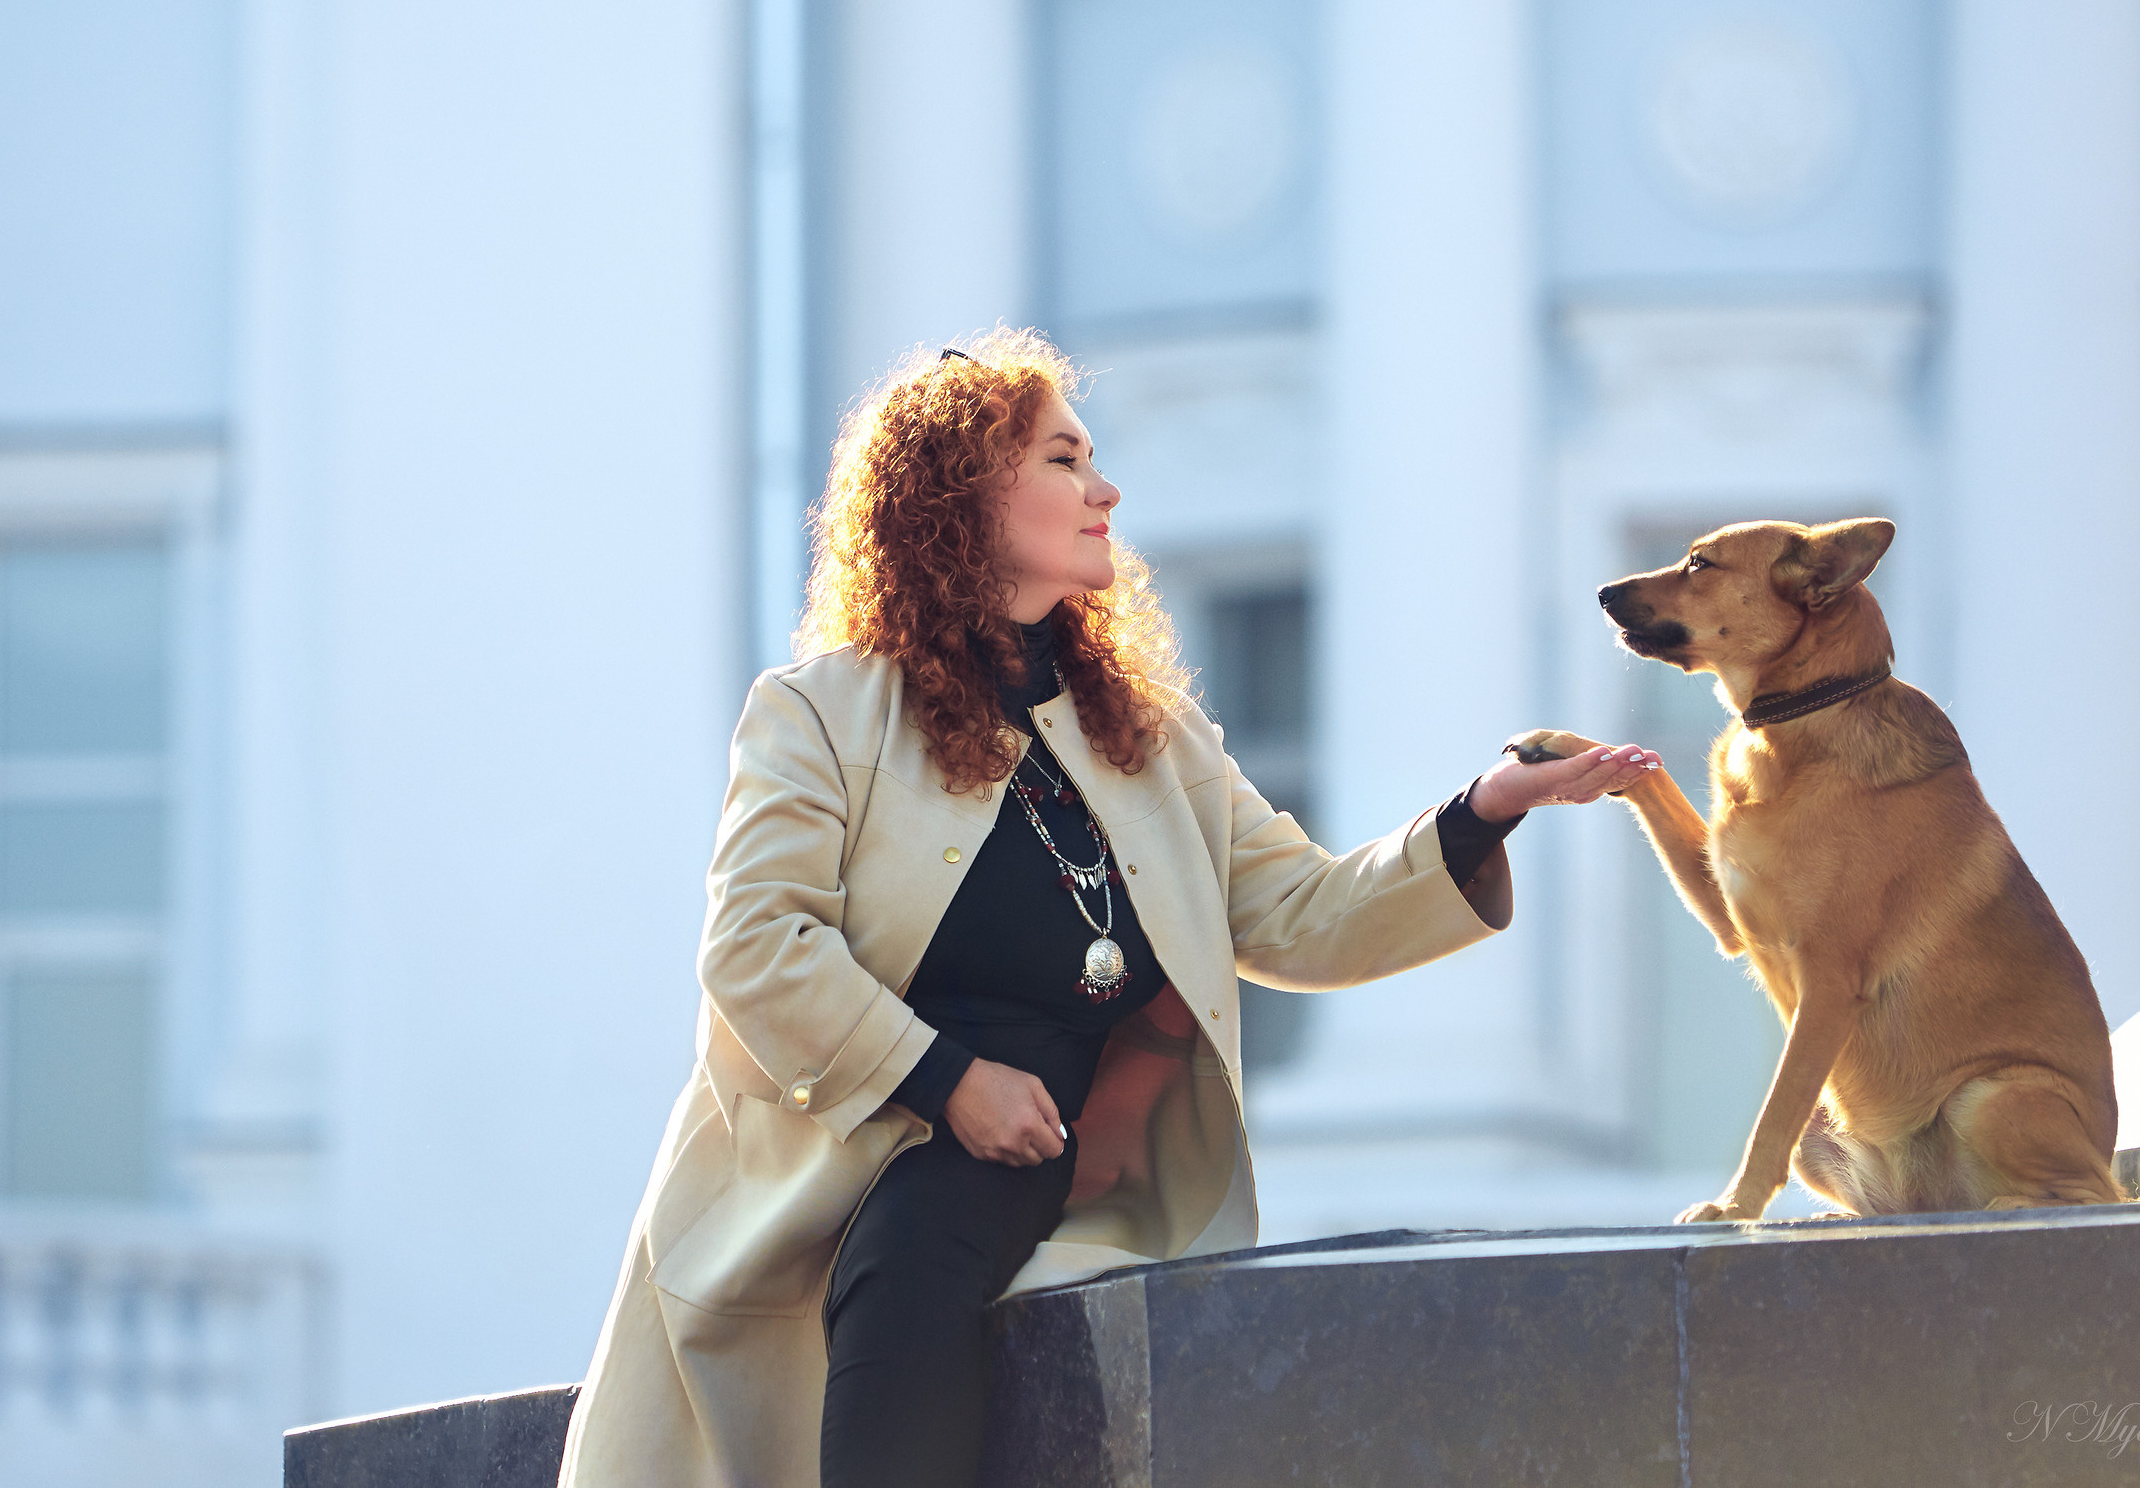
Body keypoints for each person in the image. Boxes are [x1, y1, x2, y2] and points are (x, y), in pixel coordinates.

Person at [555, 329, 1660, 1488]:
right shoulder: (819, 713)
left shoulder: (1147, 732)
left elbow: (1302, 913)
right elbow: (754, 945)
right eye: (1063, 459)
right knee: (918, 1241)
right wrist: (951, 1083)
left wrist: (1483, 809)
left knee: (949, 1227)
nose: (1105, 489)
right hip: (858, 1151)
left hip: (1083, 1151)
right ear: (961, 498)